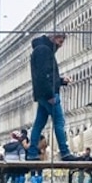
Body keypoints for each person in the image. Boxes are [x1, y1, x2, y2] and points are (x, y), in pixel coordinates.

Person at [24, 32, 71, 161]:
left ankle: (32, 152)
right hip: (48, 94)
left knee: (39, 124)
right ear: (54, 38)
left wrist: (60, 81)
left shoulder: (41, 49)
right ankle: (65, 152)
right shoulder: (44, 51)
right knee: (59, 122)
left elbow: (47, 75)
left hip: (43, 93)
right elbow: (43, 75)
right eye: (60, 42)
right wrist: (50, 94)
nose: (60, 46)